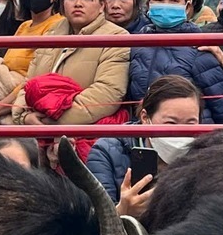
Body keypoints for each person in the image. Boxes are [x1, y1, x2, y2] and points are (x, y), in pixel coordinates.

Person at [13, 0, 128, 125]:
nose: (78, 4)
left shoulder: (116, 38)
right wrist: (24, 117)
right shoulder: (50, 35)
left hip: (83, 132)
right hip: (36, 129)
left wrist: (54, 122)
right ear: (63, 1)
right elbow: (28, 85)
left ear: (102, 4)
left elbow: (107, 93)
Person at [127, 0, 223, 124]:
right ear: (149, 4)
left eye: (174, 0)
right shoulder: (138, 44)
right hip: (149, 133)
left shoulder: (198, 47)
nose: (166, 5)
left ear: (187, 7)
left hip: (191, 137)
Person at [86, 74, 203, 213]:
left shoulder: (207, 156)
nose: (180, 132)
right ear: (145, 118)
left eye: (191, 123)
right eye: (171, 123)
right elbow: (94, 224)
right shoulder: (105, 152)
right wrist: (122, 211)